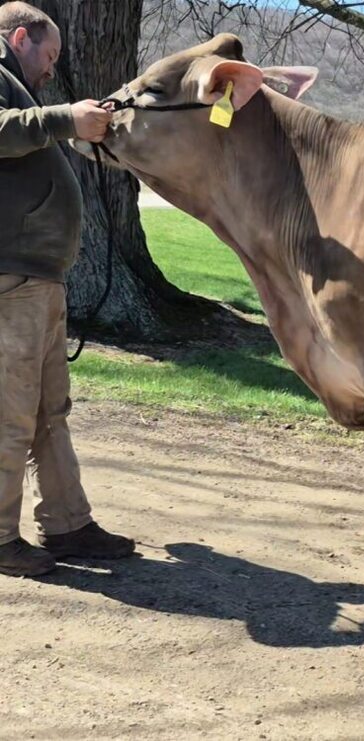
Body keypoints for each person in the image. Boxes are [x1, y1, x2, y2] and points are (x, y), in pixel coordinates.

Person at [0, 1, 134, 577]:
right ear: (20, 38)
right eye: (49, 55)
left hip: (38, 277)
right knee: (10, 414)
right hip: (12, 277)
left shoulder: (20, 91)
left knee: (50, 411)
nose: (52, 68)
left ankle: (68, 524)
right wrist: (63, 119)